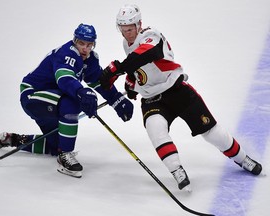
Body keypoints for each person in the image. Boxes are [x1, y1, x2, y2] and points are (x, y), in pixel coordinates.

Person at [99, 4, 263, 191]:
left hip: (177, 91)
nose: (127, 34)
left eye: (130, 29)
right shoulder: (125, 44)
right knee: (155, 128)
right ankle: (177, 170)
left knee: (211, 132)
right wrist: (132, 83)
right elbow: (139, 68)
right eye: (123, 30)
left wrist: (119, 69)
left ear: (139, 24)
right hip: (153, 99)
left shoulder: (151, 35)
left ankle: (243, 159)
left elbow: (147, 54)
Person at [0, 23, 134, 178]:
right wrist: (81, 92)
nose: (85, 48)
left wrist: (117, 100)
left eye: (89, 45)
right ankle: (65, 156)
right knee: (71, 103)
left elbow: (98, 83)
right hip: (33, 94)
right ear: (74, 41)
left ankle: (11, 139)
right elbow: (64, 79)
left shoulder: (90, 59)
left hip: (52, 98)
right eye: (81, 43)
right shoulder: (66, 53)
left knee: (55, 145)